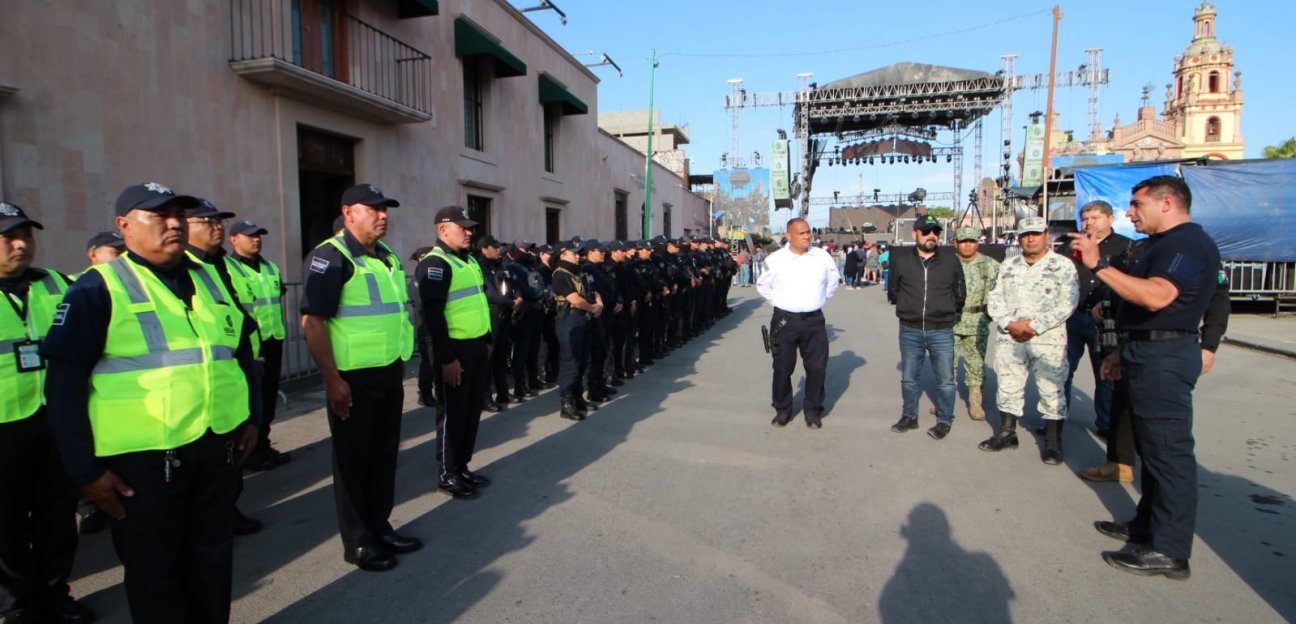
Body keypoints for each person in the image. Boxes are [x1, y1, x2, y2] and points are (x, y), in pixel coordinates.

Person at [43, 183, 262, 623]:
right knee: (156, 577)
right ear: (124, 226)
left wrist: (253, 416)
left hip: (214, 448)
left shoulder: (209, 278)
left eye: (179, 214)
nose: (174, 223)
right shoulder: (97, 289)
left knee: (212, 565)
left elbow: (238, 352)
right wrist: (84, 471)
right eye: (159, 216)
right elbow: (63, 387)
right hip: (142, 465)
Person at [1072, 176, 1220, 579]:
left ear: (1167, 203)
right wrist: (1123, 351)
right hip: (1147, 351)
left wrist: (1098, 266)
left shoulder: (1186, 243)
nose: (1130, 212)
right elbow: (1148, 312)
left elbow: (1157, 296)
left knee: (1168, 455)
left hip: (1165, 358)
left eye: (1137, 204)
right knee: (1152, 452)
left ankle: (1169, 550)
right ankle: (1146, 526)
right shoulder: (1163, 244)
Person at [301, 183, 420, 572]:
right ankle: (358, 542)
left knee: (383, 456)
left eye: (385, 208)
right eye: (373, 208)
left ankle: (380, 526)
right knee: (354, 462)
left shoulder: (385, 256)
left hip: (387, 372)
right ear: (348, 212)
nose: (382, 215)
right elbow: (313, 322)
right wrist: (332, 381)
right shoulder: (331, 257)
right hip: (351, 379)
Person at [0, 202, 94, 624]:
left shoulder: (57, 283)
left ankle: (57, 594)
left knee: (57, 517)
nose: (21, 244)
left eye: (27, 235)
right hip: (4, 427)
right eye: (8, 238)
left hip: (54, 420)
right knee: (6, 522)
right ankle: (18, 604)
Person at [183, 200, 264, 536]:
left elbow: (236, 327)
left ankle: (228, 511)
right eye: (207, 221)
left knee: (227, 470)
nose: (216, 227)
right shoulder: (179, 268)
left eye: (219, 221)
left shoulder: (214, 268)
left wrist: (253, 413)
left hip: (226, 394)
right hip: (187, 405)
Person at [980, 216, 1078, 463]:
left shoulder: (1063, 266)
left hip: (1047, 339)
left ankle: (1053, 442)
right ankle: (1006, 432)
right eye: (1025, 235)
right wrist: (1009, 323)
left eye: (1035, 233)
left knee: (1052, 389)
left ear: (1046, 235)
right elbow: (994, 299)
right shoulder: (1008, 266)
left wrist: (1033, 326)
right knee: (1008, 384)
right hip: (1011, 337)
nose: (1030, 239)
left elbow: (1068, 302)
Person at [416, 206, 493, 500]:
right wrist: (447, 358)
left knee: (472, 411)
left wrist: (486, 339)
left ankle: (462, 467)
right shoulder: (436, 263)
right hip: (454, 350)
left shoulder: (469, 260)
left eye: (470, 227)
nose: (469, 232)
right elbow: (434, 316)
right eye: (463, 227)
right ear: (443, 230)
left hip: (475, 346)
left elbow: (478, 303)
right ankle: (448, 473)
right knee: (452, 414)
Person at [757, 218, 840, 428]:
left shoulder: (822, 257)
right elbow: (762, 285)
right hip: (785, 321)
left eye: (808, 232)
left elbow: (832, 284)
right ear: (789, 235)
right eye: (801, 233)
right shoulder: (774, 259)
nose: (807, 236)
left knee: (817, 368)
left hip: (814, 321)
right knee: (783, 367)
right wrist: (782, 304)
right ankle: (782, 409)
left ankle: (813, 411)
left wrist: (815, 301)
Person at [888, 216, 965, 439]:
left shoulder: (950, 260)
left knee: (945, 379)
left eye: (935, 232)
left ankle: (944, 420)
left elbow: (960, 293)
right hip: (910, 329)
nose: (931, 235)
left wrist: (946, 311)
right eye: (926, 231)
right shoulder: (902, 261)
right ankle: (909, 416)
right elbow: (894, 291)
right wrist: (907, 308)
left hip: (941, 330)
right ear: (915, 234)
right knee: (909, 377)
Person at [1061, 201, 1131, 439]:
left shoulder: (1125, 247)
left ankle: (1106, 424)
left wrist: (1109, 300)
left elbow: (1130, 282)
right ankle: (1056, 417)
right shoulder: (1070, 246)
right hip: (1072, 318)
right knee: (1062, 370)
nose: (1089, 222)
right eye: (1086, 218)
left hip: (1106, 322)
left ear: (1110, 219)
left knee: (1106, 374)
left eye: (1095, 217)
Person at [228, 219, 292, 471]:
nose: (256, 240)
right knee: (250, 403)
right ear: (234, 239)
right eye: (249, 236)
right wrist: (254, 354)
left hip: (273, 341)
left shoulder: (270, 268)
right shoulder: (229, 269)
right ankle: (249, 452)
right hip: (250, 347)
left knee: (268, 400)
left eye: (259, 235)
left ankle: (263, 445)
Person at [944, 227, 999, 421]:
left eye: (972, 241)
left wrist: (992, 315)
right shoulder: (946, 264)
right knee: (946, 363)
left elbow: (1000, 294)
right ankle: (944, 399)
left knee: (976, 363)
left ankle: (976, 401)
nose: (968, 244)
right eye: (964, 241)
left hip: (978, 322)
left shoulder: (990, 265)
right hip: (951, 321)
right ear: (956, 243)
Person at [474, 235, 520, 413]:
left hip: (505, 313)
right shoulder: (480, 266)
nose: (499, 249)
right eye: (494, 247)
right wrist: (511, 302)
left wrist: (518, 297)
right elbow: (489, 292)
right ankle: (485, 397)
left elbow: (512, 284)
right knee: (488, 358)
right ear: (484, 249)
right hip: (491, 313)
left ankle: (503, 392)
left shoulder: (501, 265)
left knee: (502, 355)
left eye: (499, 246)